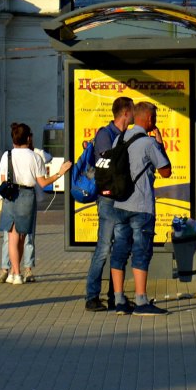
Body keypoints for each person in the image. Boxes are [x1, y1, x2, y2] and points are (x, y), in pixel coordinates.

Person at [108, 106, 172, 316]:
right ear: (151, 118)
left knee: (119, 251)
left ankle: (118, 300)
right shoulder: (149, 143)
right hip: (141, 206)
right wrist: (161, 145)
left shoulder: (119, 139)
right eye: (155, 117)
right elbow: (166, 171)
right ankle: (141, 301)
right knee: (141, 251)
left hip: (119, 204)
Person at [83, 98, 133, 312]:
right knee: (103, 248)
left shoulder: (126, 135)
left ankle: (116, 294)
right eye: (132, 111)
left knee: (120, 249)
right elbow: (109, 163)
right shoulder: (105, 134)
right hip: (108, 198)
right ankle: (91, 296)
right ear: (125, 112)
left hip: (123, 198)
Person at [0, 123, 58, 284]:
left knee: (12, 236)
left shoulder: (6, 155)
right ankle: (18, 271)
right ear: (28, 138)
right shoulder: (35, 157)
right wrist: (60, 172)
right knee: (23, 236)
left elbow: (2, 180)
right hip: (28, 195)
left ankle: (14, 273)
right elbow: (43, 183)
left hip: (11, 195)